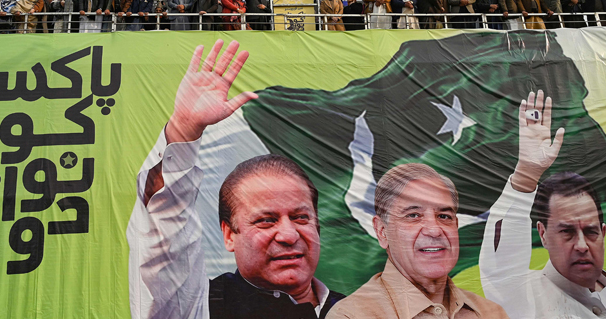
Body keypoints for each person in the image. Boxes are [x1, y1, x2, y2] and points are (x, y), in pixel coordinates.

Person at [127, 39, 346, 319]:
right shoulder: (201, 307)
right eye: (266, 220)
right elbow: (163, 237)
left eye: (301, 218)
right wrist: (183, 130)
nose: (289, 235)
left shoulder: (366, 310)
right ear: (229, 234)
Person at [479, 90, 606, 318]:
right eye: (566, 232)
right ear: (543, 235)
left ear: (603, 233)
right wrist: (526, 173)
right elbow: (500, 268)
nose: (582, 246)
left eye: (591, 232)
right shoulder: (522, 296)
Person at [327, 162, 508, 318]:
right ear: (382, 231)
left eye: (444, 216)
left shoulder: (491, 313)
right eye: (413, 215)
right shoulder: (351, 316)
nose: (434, 230)